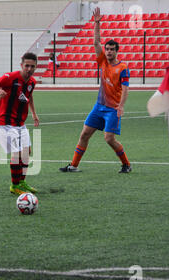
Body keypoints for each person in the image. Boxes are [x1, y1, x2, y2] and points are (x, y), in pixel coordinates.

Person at [60, 7, 131, 174]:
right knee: (84, 134)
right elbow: (95, 42)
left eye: (112, 49)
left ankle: (126, 164)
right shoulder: (103, 62)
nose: (108, 51)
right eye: (107, 49)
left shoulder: (122, 67)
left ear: (116, 51)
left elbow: (126, 89)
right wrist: (97, 23)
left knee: (109, 139)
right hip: (99, 106)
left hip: (113, 109)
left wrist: (121, 106)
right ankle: (74, 165)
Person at [0, 52, 40, 195]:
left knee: (27, 152)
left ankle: (22, 182)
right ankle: (14, 185)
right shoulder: (11, 77)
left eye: (32, 66)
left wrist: (34, 113)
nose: (29, 69)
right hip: (5, 121)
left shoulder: (32, 82)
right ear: (21, 65)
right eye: (26, 65)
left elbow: (29, 96)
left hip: (19, 122)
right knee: (17, 153)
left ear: (36, 67)